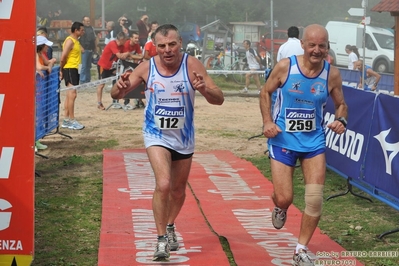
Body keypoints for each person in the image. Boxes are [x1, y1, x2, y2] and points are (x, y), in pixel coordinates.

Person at [110, 24, 224, 261]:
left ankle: (170, 225)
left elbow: (219, 99)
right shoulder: (146, 67)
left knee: (178, 190)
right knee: (163, 184)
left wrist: (204, 89)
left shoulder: (191, 65)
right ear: (155, 47)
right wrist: (118, 87)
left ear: (180, 42)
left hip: (183, 137)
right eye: (161, 46)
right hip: (156, 135)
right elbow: (117, 94)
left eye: (172, 44)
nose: (167, 50)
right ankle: (161, 240)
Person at [259, 24, 348, 266]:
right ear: (303, 44)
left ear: (327, 47)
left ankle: (301, 249)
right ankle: (280, 205)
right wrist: (267, 121)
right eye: (312, 45)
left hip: (314, 142)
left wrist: (341, 120)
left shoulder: (331, 74)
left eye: (322, 46)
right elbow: (265, 92)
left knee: (315, 197)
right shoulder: (286, 67)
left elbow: (341, 104)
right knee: (285, 197)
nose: (317, 50)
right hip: (283, 139)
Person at [59, 21, 85, 130]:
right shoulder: (70, 41)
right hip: (70, 68)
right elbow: (63, 56)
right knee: (72, 94)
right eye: (82, 30)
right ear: (76, 30)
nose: (83, 32)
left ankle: (66, 119)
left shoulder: (76, 41)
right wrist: (61, 70)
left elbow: (81, 51)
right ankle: (72, 119)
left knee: (70, 94)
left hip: (75, 68)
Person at [96, 32, 130, 110]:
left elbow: (127, 54)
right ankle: (99, 103)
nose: (126, 42)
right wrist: (126, 54)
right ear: (121, 39)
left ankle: (116, 101)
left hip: (113, 67)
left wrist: (127, 54)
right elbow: (120, 56)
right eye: (125, 40)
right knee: (101, 85)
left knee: (118, 81)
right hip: (103, 66)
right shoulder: (112, 44)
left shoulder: (122, 46)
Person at [35, 35, 55, 151]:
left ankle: (36, 140)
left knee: (38, 116)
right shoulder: (34, 54)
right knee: (35, 117)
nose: (47, 48)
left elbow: (47, 64)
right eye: (46, 45)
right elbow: (41, 66)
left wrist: (49, 65)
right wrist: (47, 66)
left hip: (38, 90)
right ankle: (33, 142)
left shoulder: (40, 54)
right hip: (34, 90)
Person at [122, 31, 144, 109]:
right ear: (131, 38)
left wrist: (132, 56)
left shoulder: (137, 45)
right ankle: (126, 102)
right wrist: (134, 56)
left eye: (138, 38)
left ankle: (138, 100)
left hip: (133, 64)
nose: (137, 39)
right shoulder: (126, 44)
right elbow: (126, 56)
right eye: (135, 38)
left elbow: (141, 56)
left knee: (137, 81)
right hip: (125, 64)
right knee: (126, 82)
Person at [79, 16, 99, 84]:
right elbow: (77, 39)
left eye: (89, 21)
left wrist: (96, 48)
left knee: (88, 66)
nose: (88, 22)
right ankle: (82, 80)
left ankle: (88, 80)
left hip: (91, 49)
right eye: (86, 21)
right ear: (83, 21)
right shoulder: (80, 29)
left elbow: (94, 38)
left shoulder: (92, 28)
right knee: (84, 66)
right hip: (84, 49)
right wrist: (81, 47)